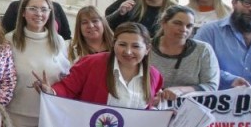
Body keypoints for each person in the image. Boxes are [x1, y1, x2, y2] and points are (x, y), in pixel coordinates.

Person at [34, 22, 163, 108]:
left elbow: (149, 109)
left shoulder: (154, 75)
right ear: (113, 44)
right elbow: (68, 88)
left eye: (136, 46)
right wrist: (51, 92)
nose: (128, 51)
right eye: (122, 45)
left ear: (147, 49)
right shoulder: (91, 63)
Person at [7, 0, 70, 127]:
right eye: (33, 9)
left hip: (49, 116)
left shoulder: (59, 42)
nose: (39, 14)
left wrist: (51, 89)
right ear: (23, 12)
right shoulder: (10, 40)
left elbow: (66, 78)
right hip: (17, 114)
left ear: (50, 13)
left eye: (44, 9)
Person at [193, 0, 251, 88]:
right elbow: (196, 65)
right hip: (216, 99)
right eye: (247, 3)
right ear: (234, 3)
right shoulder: (210, 31)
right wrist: (230, 80)